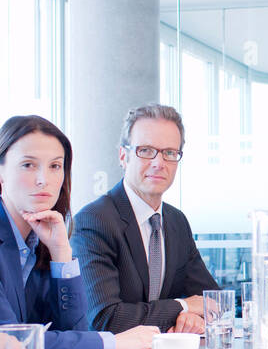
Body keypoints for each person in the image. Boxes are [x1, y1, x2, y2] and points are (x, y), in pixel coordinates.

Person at [0, 116, 160, 349]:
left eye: (55, 166)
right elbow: (9, 341)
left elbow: (75, 331)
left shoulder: (44, 241)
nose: (43, 179)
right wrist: (113, 342)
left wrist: (61, 254)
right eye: (28, 165)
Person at [71, 103, 217, 333]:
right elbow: (105, 319)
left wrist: (190, 318)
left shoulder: (176, 221)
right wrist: (183, 307)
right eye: (146, 150)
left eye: (169, 153)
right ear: (123, 156)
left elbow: (212, 300)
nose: (159, 163)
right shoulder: (94, 221)